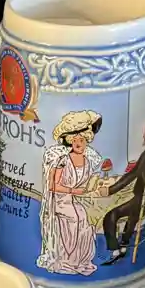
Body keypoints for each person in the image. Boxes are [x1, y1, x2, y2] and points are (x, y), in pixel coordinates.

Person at [38, 110, 106, 276]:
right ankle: (67, 260)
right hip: (61, 200)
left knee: (87, 217)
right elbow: (53, 186)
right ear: (70, 141)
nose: (78, 143)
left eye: (81, 140)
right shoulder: (63, 161)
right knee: (75, 218)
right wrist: (73, 191)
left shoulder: (88, 162)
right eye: (75, 140)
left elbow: (87, 183)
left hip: (77, 199)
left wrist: (94, 187)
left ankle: (80, 260)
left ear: (86, 141)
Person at [101, 119, 145, 265]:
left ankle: (115, 250)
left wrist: (110, 190)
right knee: (131, 213)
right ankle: (123, 245)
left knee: (110, 216)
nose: (144, 135)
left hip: (140, 201)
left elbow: (132, 175)